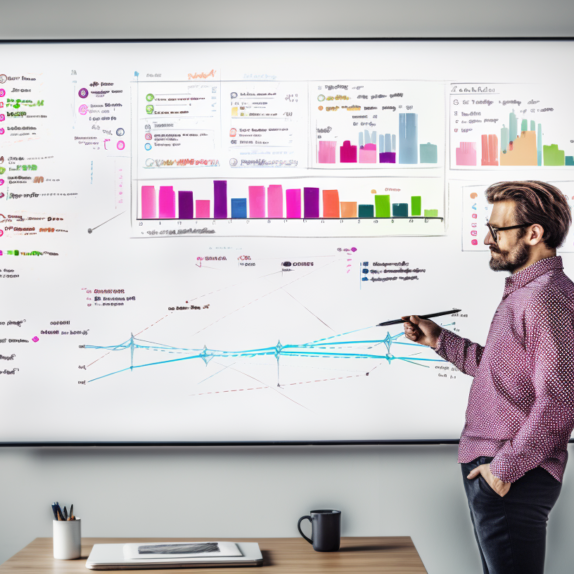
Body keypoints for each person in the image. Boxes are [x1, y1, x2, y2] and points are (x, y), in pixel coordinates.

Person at [403, 181, 574, 574]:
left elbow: (560, 401)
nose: (487, 238)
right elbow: (504, 376)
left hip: (511, 472)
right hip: (499, 468)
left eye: (498, 230)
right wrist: (439, 340)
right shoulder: (527, 293)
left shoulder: (546, 298)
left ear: (534, 234)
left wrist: (503, 470)